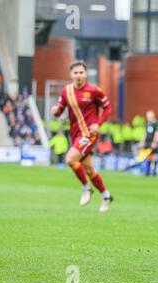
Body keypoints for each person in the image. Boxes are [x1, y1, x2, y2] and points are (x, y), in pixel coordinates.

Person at [51, 60, 113, 212]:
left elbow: (107, 108)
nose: (78, 75)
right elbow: (60, 110)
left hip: (88, 134)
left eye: (81, 72)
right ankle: (106, 195)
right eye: (75, 73)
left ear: (85, 74)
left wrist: (98, 123)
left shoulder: (94, 91)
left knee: (70, 159)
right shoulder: (66, 92)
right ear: (71, 75)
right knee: (90, 170)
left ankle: (86, 188)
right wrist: (55, 111)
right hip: (75, 135)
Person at [140, 110, 158, 176]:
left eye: (148, 115)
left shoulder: (156, 124)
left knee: (153, 156)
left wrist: (154, 142)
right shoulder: (147, 124)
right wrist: (142, 142)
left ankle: (154, 172)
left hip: (152, 142)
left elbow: (157, 133)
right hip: (147, 142)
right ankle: (148, 171)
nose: (147, 117)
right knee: (148, 156)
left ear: (152, 115)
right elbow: (145, 134)